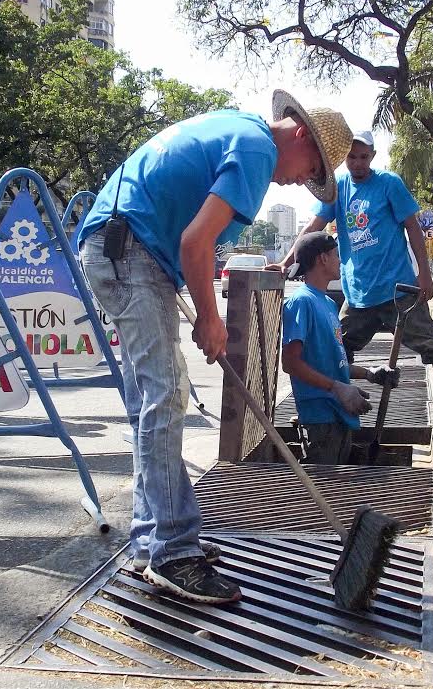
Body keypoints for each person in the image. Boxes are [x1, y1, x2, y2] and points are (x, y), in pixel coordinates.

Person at [78, 90, 353, 604]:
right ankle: (172, 552)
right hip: (129, 250)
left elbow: (187, 238)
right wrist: (210, 316)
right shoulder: (256, 150)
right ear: (299, 136)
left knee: (151, 403)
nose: (299, 182)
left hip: (124, 247)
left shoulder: (239, 130)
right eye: (310, 169)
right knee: (165, 395)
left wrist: (194, 298)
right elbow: (195, 241)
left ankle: (153, 538)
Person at [276, 130, 433, 437]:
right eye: (351, 157)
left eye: (363, 157)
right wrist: (287, 262)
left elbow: (413, 228)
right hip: (358, 295)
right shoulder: (338, 188)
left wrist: (424, 273)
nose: (357, 163)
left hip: (398, 291)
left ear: (373, 156)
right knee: (335, 350)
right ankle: (329, 414)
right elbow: (314, 227)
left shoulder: (388, 184)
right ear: (344, 158)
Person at [282, 232, 399, 464]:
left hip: (339, 412)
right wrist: (336, 387)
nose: (341, 260)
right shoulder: (301, 302)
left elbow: (333, 361)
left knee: (336, 489)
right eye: (336, 255)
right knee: (322, 487)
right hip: (320, 418)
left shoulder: (326, 303)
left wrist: (369, 373)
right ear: (322, 259)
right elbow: (290, 363)